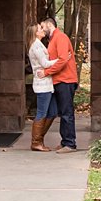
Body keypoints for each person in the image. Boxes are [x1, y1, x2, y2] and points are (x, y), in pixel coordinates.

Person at [36, 17, 79, 153]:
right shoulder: (53, 40)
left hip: (66, 80)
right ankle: (65, 141)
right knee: (61, 112)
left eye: (43, 27)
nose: (42, 30)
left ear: (50, 25)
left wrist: (46, 72)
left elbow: (62, 60)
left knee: (67, 112)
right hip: (58, 81)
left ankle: (70, 143)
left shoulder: (60, 37)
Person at [26, 23, 58, 152]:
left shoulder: (39, 45)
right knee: (42, 112)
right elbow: (45, 63)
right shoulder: (36, 47)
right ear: (35, 33)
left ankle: (40, 139)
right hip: (42, 85)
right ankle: (36, 142)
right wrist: (61, 59)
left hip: (47, 84)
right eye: (40, 28)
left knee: (53, 112)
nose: (43, 30)